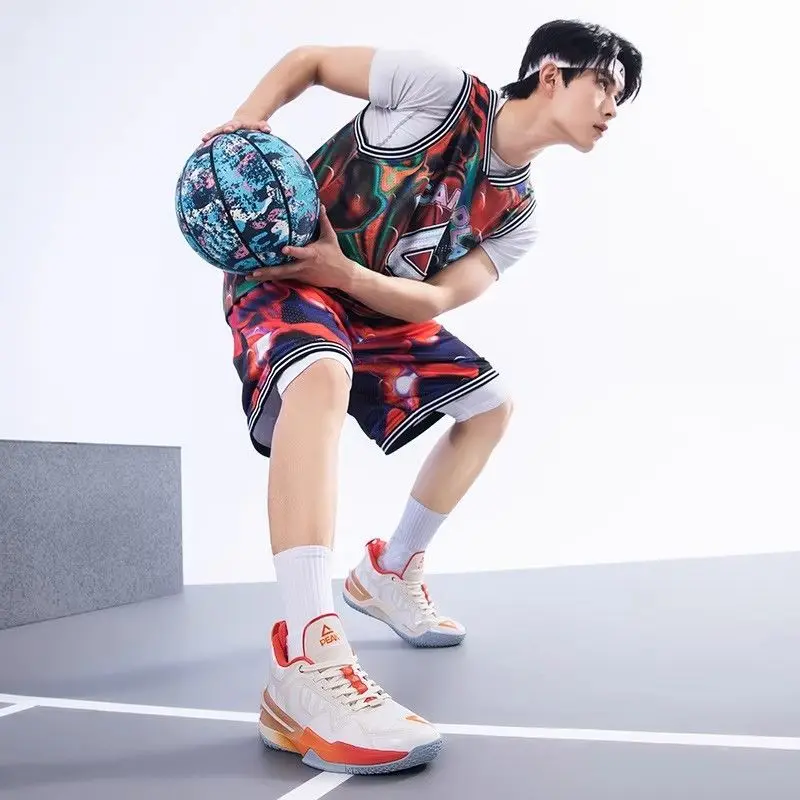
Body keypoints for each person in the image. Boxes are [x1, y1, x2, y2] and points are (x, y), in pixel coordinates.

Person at [202, 19, 642, 775]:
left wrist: (348, 276)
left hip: (365, 300)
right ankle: (307, 652)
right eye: (603, 84)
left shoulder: (518, 218)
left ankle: (390, 570)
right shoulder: (437, 90)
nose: (611, 106)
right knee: (321, 372)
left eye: (620, 97)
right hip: (285, 277)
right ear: (551, 74)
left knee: (491, 406)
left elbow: (433, 300)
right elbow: (309, 60)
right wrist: (247, 122)